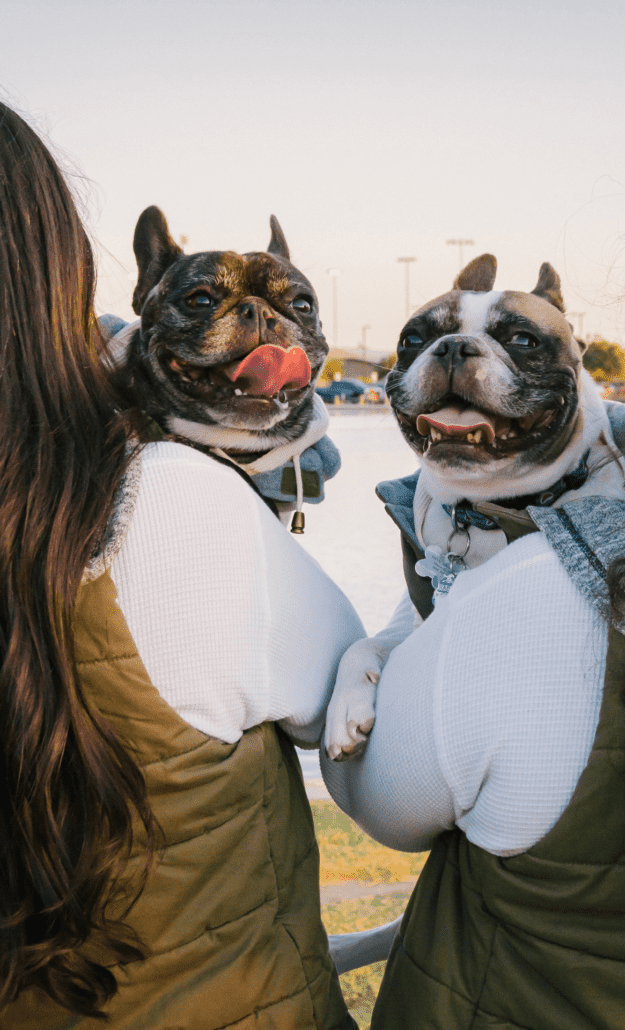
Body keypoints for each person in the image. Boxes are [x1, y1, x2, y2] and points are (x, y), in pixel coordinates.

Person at [322, 162, 625, 1028]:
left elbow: (381, 796)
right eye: (428, 341)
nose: (459, 358)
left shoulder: (539, 607)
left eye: (520, 340)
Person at [0, 102, 363, 1029]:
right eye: (204, 303)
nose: (260, 325)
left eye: (292, 309)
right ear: (53, 267)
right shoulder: (161, 502)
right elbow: (368, 748)